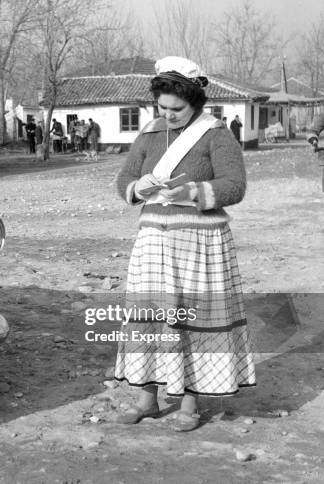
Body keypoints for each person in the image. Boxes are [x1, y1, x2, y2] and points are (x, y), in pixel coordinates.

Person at [113, 56, 255, 432]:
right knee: (149, 318)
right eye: (162, 107)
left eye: (176, 109)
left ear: (195, 102)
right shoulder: (149, 133)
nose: (169, 115)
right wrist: (136, 187)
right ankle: (147, 398)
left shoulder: (216, 134)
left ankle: (190, 401)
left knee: (192, 320)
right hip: (153, 240)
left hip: (200, 241)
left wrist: (193, 191)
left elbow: (234, 185)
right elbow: (125, 176)